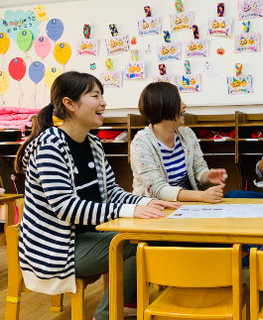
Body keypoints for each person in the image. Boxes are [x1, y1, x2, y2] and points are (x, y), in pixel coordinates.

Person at [14, 72, 179, 320]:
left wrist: (146, 202)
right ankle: (105, 316)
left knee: (148, 235)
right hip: (56, 250)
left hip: (86, 238)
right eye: (95, 96)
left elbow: (111, 192)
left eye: (102, 95)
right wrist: (129, 210)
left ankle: (113, 312)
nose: (103, 102)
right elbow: (66, 208)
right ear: (70, 104)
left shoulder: (93, 144)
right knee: (137, 245)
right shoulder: (50, 145)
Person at [130, 82, 227, 203]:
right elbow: (157, 189)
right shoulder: (141, 143)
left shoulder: (187, 134)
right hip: (154, 208)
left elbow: (199, 169)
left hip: (186, 207)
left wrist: (207, 175)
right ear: (164, 106)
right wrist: (201, 196)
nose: (184, 105)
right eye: (178, 101)